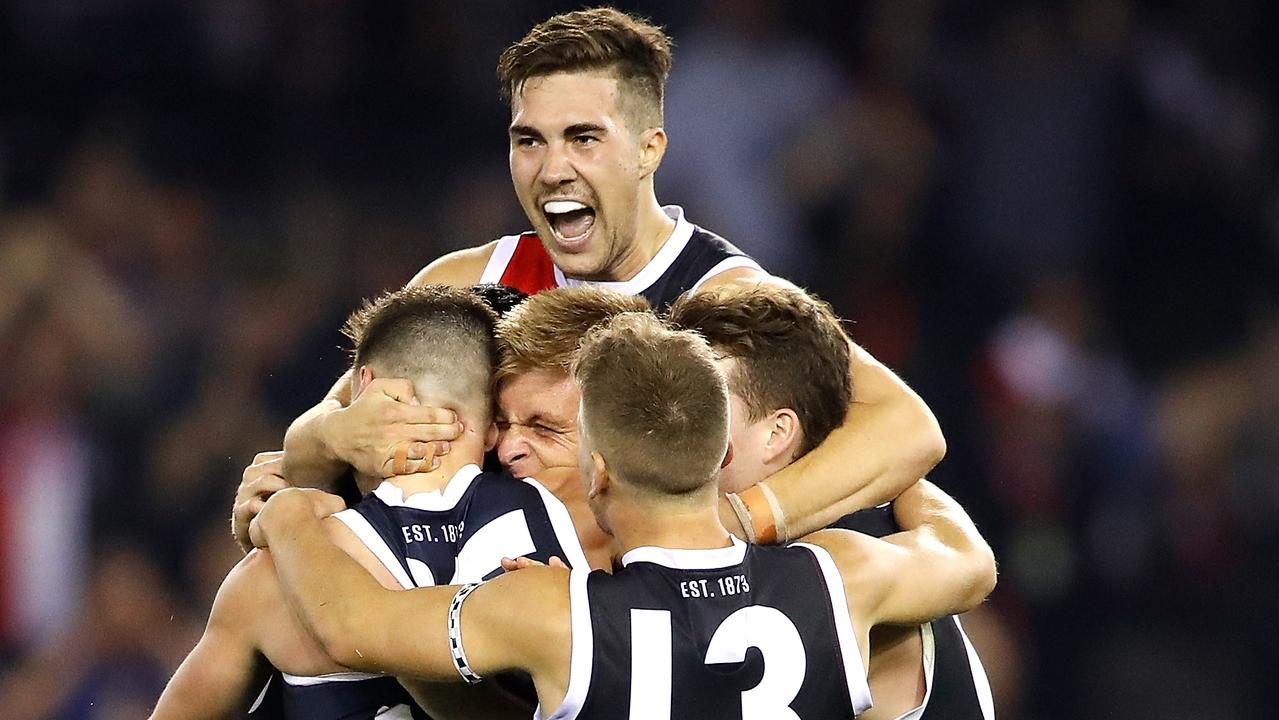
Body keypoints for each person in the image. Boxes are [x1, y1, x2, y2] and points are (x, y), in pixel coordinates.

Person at [273, 7, 945, 548]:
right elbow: (325, 434)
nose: (552, 168)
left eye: (583, 138)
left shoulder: (723, 299)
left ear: (650, 149)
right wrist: (317, 449)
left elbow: (908, 430)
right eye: (528, 140)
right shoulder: (468, 282)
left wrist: (737, 524)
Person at [249, 312, 997, 720]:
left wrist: (286, 513)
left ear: (596, 469)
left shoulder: (551, 612)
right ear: (714, 457)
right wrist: (904, 485)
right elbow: (968, 560)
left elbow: (350, 626)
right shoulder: (839, 576)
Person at [152, 286, 585, 720]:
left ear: (365, 386)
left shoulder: (273, 574)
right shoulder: (569, 524)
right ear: (493, 428)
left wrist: (288, 516)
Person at [669, 285, 996, 720]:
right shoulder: (888, 533)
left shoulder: (840, 560)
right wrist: (897, 478)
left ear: (776, 433)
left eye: (703, 404)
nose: (674, 423)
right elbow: (968, 559)